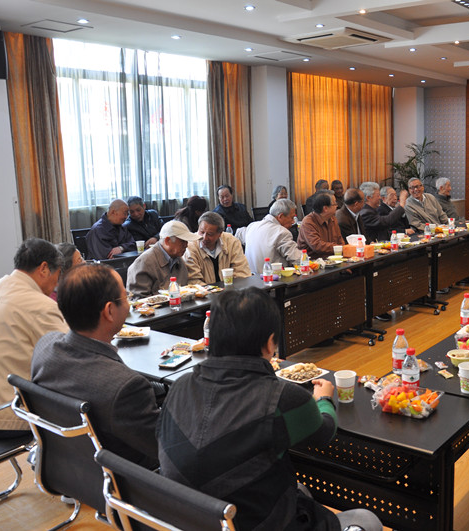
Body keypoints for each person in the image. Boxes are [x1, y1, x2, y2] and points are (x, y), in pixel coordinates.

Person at [157, 288, 383, 531]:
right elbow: (325, 432)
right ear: (269, 343)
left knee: (299, 490)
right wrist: (324, 399)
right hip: (252, 522)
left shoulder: (179, 387)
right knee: (367, 520)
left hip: (189, 520)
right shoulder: (282, 398)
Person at [32, 264, 160, 467]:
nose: (129, 304)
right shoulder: (125, 387)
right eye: (126, 297)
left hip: (67, 466)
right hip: (126, 477)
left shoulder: (44, 347)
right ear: (109, 311)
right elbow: (162, 447)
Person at [0, 239, 69, 437]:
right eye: (58, 274)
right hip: (13, 414)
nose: (57, 283)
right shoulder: (38, 304)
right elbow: (71, 359)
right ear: (44, 268)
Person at [126, 220, 201, 298]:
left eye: (186, 241)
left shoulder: (179, 260)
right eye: (182, 241)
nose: (186, 245)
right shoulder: (144, 263)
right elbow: (138, 300)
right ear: (167, 241)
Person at [184, 211, 251, 284]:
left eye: (210, 234)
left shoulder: (232, 242)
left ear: (220, 234)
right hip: (203, 293)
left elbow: (241, 273)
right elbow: (194, 281)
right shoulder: (190, 246)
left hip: (231, 292)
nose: (204, 238)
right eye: (202, 232)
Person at [244, 198, 305, 270]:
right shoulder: (282, 232)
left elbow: (238, 234)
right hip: (274, 279)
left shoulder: (252, 226)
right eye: (292, 218)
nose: (293, 222)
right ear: (281, 216)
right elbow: (298, 259)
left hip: (252, 278)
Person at [297, 192, 344, 259]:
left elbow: (340, 240)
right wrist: (339, 248)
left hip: (333, 260)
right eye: (335, 204)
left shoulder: (332, 218)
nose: (337, 206)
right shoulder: (308, 222)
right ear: (325, 208)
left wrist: (342, 248)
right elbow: (317, 246)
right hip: (313, 262)